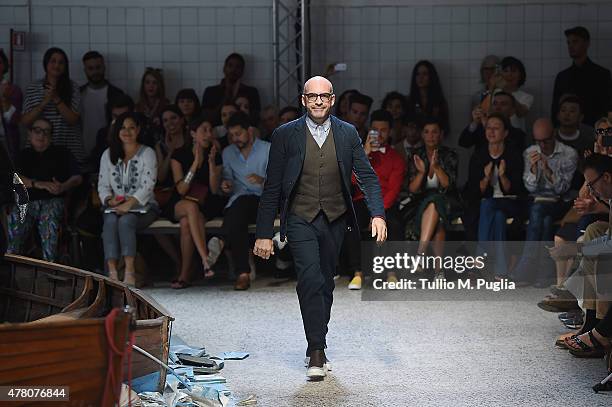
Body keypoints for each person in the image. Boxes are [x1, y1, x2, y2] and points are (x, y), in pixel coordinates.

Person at [253, 76, 386, 381]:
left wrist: (377, 214)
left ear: (332, 100)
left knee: (325, 282)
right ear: (303, 100)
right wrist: (263, 233)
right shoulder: (286, 134)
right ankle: (316, 350)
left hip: (336, 218)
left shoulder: (347, 133)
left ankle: (317, 340)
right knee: (310, 279)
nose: (317, 102)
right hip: (300, 217)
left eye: (323, 97)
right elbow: (272, 186)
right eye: (311, 97)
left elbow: (366, 176)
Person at [206, 111, 270, 290]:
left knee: (239, 208)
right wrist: (226, 185)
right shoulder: (228, 153)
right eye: (231, 135)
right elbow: (228, 182)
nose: (235, 139)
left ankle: (221, 239)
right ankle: (243, 273)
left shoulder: (267, 149)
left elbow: (281, 183)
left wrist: (263, 180)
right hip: (237, 203)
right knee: (237, 215)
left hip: (262, 201)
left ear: (249, 131)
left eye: (238, 134)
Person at [512, 119, 578, 286]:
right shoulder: (530, 152)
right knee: (545, 219)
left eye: (546, 140)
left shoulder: (568, 153)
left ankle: (526, 268)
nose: (542, 145)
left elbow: (562, 189)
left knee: (538, 211)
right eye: (538, 141)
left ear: (554, 134)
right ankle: (544, 273)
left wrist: (548, 172)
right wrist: (534, 171)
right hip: (537, 200)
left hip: (559, 201)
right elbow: (529, 188)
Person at [345, 109, 406, 290]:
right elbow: (352, 181)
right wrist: (364, 153)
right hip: (361, 200)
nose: (379, 134)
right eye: (375, 129)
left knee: (394, 224)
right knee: (352, 221)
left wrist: (378, 213)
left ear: (390, 132)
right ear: (369, 130)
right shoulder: (360, 153)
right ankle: (357, 273)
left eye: (384, 130)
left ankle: (392, 274)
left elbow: (393, 190)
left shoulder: (396, 158)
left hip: (385, 203)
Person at [7, 118, 82, 262]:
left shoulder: (62, 153)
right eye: (37, 131)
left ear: (51, 136)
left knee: (49, 220)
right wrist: (38, 184)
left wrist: (63, 186)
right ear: (29, 134)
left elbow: (77, 177)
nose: (41, 135)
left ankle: (50, 267)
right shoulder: (22, 155)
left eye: (46, 132)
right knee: (15, 221)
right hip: (27, 201)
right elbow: (13, 178)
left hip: (53, 199)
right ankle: (11, 266)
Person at [98, 112, 158, 285]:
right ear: (116, 131)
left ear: (138, 130)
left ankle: (130, 272)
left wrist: (130, 203)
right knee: (109, 222)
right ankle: (112, 272)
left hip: (144, 207)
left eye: (131, 127)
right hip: (115, 207)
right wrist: (110, 200)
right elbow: (102, 185)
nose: (127, 131)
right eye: (123, 128)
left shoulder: (147, 153)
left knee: (125, 222)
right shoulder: (108, 154)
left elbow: (148, 185)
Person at [164, 114, 223, 289]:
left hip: (204, 204)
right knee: (189, 208)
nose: (208, 134)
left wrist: (211, 166)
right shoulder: (179, 154)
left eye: (210, 130)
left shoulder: (215, 155)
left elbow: (213, 189)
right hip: (180, 202)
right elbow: (181, 189)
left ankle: (185, 275)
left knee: (186, 224)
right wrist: (195, 164)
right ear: (192, 134)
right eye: (203, 130)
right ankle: (205, 258)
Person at [465, 113, 526, 279]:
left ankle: (479, 257)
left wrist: (503, 176)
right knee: (497, 216)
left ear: (505, 133)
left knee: (488, 205)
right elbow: (475, 191)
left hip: (511, 203)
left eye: (496, 128)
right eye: (488, 128)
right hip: (489, 206)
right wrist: (485, 178)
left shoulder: (513, 154)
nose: (491, 131)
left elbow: (516, 190)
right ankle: (501, 271)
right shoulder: (479, 155)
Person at [405, 117, 458, 280]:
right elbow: (412, 189)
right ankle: (438, 272)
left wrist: (435, 167)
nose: (430, 136)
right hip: (419, 202)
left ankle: (420, 255)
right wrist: (422, 172)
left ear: (441, 134)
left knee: (436, 201)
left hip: (447, 200)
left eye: (435, 132)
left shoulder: (450, 154)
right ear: (422, 134)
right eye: (427, 132)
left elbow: (448, 185)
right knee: (438, 223)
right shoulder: (416, 155)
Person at [22, 47, 84, 163]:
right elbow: (25, 121)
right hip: (38, 149)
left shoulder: (73, 87)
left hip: (69, 150)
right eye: (53, 61)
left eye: (61, 62)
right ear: (46, 64)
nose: (57, 65)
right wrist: (44, 103)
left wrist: (56, 98)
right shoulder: (33, 88)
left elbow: (73, 119)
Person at [551, 26, 612, 127]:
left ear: (587, 43)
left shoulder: (602, 75)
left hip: (593, 131)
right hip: (567, 133)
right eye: (568, 43)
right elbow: (555, 111)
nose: (570, 46)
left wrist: (604, 140)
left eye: (575, 42)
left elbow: (607, 109)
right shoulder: (562, 77)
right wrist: (558, 135)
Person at [79, 51, 124, 158]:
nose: (95, 72)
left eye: (98, 67)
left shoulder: (116, 94)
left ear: (104, 67)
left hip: (109, 149)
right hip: (81, 151)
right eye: (90, 68)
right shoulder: (78, 94)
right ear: (85, 70)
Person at [201, 53, 261, 126]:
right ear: (224, 68)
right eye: (230, 65)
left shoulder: (251, 92)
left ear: (242, 71)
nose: (233, 69)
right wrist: (226, 96)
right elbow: (207, 119)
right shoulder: (210, 92)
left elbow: (255, 120)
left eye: (238, 67)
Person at [459, 91, 527, 151]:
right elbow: (464, 143)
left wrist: (486, 127)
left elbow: (510, 151)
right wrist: (475, 123)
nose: (498, 107)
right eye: (495, 103)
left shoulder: (518, 134)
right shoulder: (480, 128)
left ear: (512, 110)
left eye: (503, 104)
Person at [407, 60, 450, 133]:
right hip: (414, 142)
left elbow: (445, 127)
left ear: (431, 77)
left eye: (425, 74)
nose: (420, 77)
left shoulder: (439, 102)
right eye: (417, 74)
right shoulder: (409, 101)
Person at [156, 105, 187, 188]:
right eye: (165, 120)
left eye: (173, 118)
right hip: (169, 191)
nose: (170, 123)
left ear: (182, 120)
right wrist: (170, 152)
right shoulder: (160, 145)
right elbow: (161, 177)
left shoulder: (191, 140)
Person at [0, 49, 23, 161]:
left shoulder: (14, 90)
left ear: (4, 66)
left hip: (7, 143)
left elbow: (14, 120)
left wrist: (5, 99)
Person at [500, 56, 533, 132]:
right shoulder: (494, 94)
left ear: (520, 75)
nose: (509, 74)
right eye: (505, 71)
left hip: (517, 138)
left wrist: (506, 91)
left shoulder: (527, 97)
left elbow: (521, 113)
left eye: (513, 71)